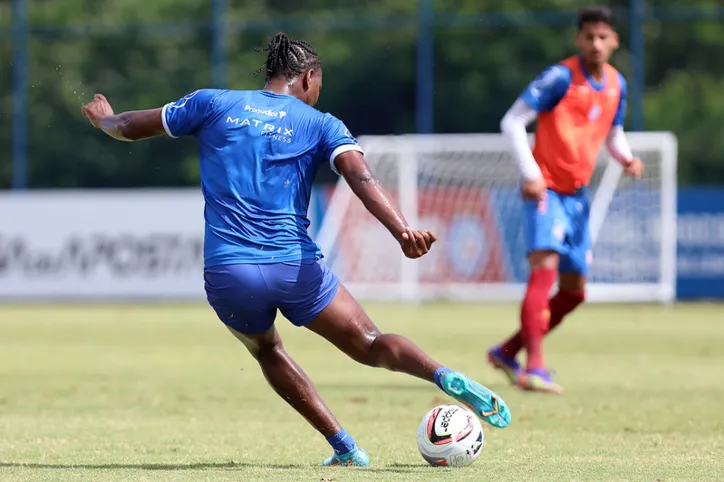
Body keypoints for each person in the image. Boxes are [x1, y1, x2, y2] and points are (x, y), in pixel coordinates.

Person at [81, 32, 511, 467]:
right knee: (370, 343)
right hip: (295, 266)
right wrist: (402, 232)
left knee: (267, 351)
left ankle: (346, 448)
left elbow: (129, 128)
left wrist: (104, 120)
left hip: (231, 272)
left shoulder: (211, 103)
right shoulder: (321, 123)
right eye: (319, 83)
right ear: (308, 77)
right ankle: (441, 374)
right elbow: (361, 178)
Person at [487, 6, 644, 394]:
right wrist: (532, 175)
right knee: (545, 270)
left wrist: (625, 157)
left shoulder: (616, 84)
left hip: (577, 196)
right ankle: (533, 368)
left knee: (574, 291)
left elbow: (613, 132)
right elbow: (512, 121)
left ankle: (508, 352)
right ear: (578, 39)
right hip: (546, 191)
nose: (595, 43)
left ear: (614, 42)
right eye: (588, 36)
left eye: (602, 37)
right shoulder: (559, 77)